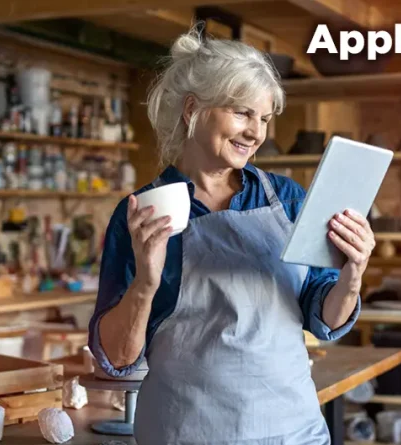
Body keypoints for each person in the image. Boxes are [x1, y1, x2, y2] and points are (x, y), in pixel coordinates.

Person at [88, 25, 375, 445]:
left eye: (264, 118)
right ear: (192, 110)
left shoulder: (288, 199)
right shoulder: (142, 213)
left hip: (292, 432)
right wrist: (146, 285)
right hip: (186, 433)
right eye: (242, 112)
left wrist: (352, 275)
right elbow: (117, 358)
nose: (256, 132)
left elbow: (324, 317)